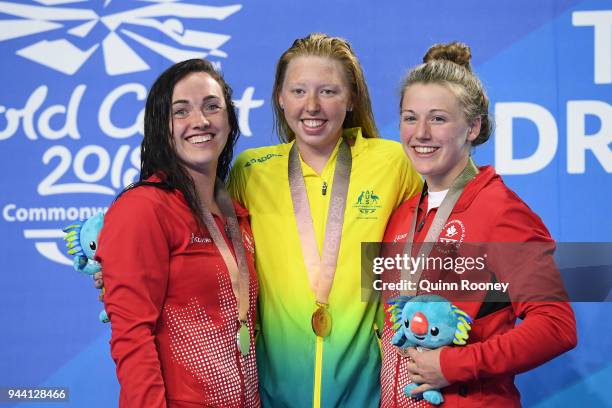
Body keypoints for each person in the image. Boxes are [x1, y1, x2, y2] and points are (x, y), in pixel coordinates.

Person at [228, 33, 422, 407]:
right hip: (274, 394)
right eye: (298, 91)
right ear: (280, 98)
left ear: (351, 99)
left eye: (328, 92)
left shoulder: (392, 163)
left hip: (365, 393)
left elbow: (446, 225)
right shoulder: (250, 170)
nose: (312, 106)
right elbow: (212, 251)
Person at [379, 42, 577, 407]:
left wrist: (454, 364)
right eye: (410, 117)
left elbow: (556, 326)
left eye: (438, 118)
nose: (420, 133)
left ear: (473, 127)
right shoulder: (404, 213)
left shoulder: (500, 210)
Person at [95, 59, 260, 407]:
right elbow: (132, 337)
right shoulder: (144, 209)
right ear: (160, 126)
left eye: (212, 107)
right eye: (181, 111)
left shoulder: (237, 214)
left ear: (229, 120)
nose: (200, 121)